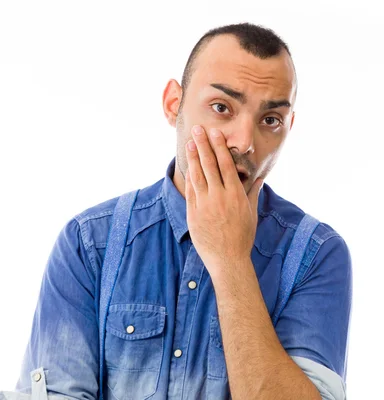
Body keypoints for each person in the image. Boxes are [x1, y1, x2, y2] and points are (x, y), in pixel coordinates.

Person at [1, 23, 352, 400]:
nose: (245, 142)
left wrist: (230, 260)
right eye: (221, 107)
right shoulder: (89, 243)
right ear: (174, 104)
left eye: (270, 120)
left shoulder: (318, 255)